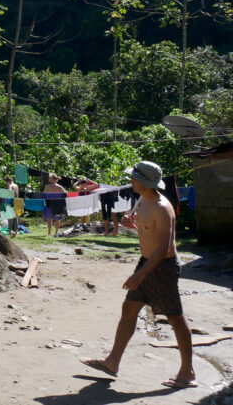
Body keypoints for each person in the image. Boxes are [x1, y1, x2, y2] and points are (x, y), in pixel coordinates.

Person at [81, 161, 195, 390]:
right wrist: (131, 226)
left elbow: (163, 247)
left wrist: (140, 275)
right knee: (130, 308)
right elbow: (147, 231)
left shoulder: (162, 207)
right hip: (147, 262)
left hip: (162, 267)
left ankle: (188, 372)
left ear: (144, 182)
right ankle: (112, 362)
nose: (130, 181)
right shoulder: (143, 201)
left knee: (174, 316)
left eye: (133, 178)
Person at [44, 173, 67, 237]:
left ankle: (49, 232)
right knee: (58, 218)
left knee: (49, 218)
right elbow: (65, 194)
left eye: (49, 177)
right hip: (58, 203)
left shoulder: (47, 186)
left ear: (52, 179)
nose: (48, 179)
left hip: (49, 202)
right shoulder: (60, 187)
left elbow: (44, 195)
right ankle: (56, 232)